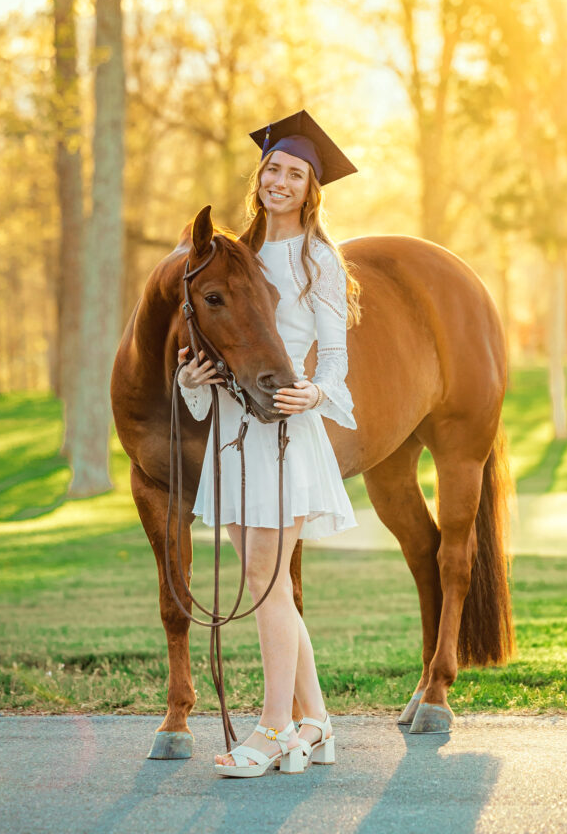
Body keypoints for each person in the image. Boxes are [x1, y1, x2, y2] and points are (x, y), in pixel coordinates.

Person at [176, 109, 362, 778]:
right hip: (232, 436)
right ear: (258, 177)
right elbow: (211, 341)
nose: (278, 181)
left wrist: (313, 393)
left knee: (263, 581)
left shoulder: (318, 259)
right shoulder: (235, 255)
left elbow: (335, 360)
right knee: (270, 585)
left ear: (311, 189)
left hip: (284, 434)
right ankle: (315, 724)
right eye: (271, 169)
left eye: (293, 173)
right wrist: (192, 382)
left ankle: (273, 729)